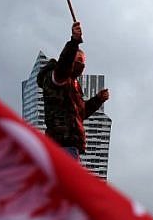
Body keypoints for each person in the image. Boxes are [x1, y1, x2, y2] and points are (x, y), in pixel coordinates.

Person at [37, 21, 109, 160]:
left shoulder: (74, 84)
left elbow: (79, 114)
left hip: (71, 146)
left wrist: (98, 99)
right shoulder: (59, 77)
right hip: (61, 145)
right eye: (78, 61)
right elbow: (64, 65)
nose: (81, 65)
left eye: (83, 63)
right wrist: (74, 42)